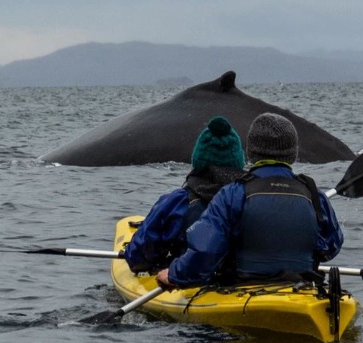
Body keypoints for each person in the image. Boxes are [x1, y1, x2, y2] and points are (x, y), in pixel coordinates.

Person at [157, 112, 343, 288]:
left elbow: (206, 251)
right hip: (301, 286)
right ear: (292, 154)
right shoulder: (313, 194)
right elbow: (332, 246)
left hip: (244, 286)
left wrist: (174, 274)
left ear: (251, 153)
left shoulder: (233, 194)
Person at [124, 116, 246, 273]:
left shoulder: (177, 201)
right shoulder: (253, 198)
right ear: (238, 161)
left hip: (189, 280)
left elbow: (138, 258)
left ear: (197, 160)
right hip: (246, 281)